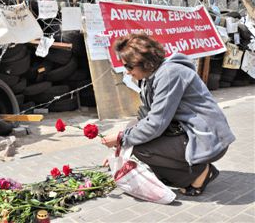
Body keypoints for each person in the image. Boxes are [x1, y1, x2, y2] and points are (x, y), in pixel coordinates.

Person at [101, 34, 235, 196]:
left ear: (146, 62)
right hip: (188, 131)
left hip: (208, 138)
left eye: (129, 66)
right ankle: (187, 172)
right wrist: (119, 151)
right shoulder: (152, 77)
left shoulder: (169, 74)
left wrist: (122, 138)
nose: (127, 72)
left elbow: (155, 124)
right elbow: (146, 118)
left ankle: (200, 173)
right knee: (133, 134)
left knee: (139, 146)